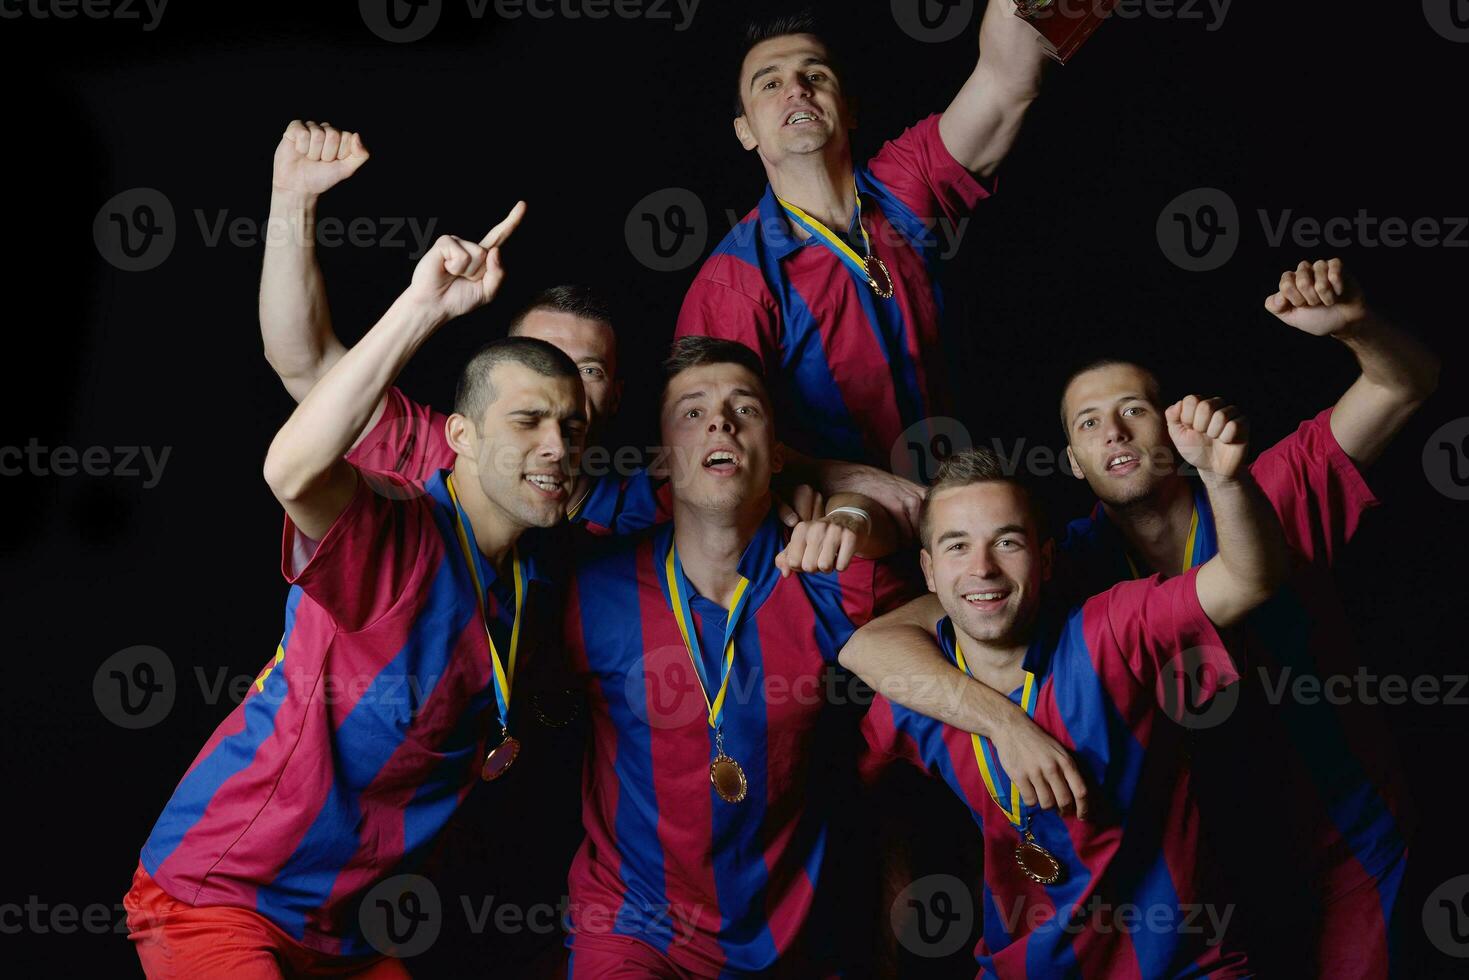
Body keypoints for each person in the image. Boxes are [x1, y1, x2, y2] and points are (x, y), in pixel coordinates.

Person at [123, 207, 589, 977]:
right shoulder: (397, 527)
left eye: (571, 429)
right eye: (528, 421)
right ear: (460, 436)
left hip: (346, 934)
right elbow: (291, 470)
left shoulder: (531, 577)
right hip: (225, 898)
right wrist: (423, 306)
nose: (555, 446)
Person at [1053, 259, 1438, 976]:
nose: (1114, 431)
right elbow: (939, 613)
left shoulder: (1265, 489)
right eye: (1088, 422)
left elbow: (1402, 382)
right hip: (1204, 872)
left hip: (1343, 835)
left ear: (1173, 424)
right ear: (1073, 462)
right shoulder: (1063, 571)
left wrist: (1356, 328)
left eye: (1133, 409)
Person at [853, 390, 1289, 975]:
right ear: (930, 571)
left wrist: (1225, 482)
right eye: (957, 546)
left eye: (1007, 542)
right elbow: (852, 810)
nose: (982, 569)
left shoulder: (1112, 630)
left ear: (1047, 558)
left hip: (1183, 964)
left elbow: (1247, 581)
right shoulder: (911, 691)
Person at [561, 336, 912, 977]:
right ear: (663, 459)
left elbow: (964, 584)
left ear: (778, 455)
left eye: (742, 408)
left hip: (788, 938)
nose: (720, 420)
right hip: (635, 928)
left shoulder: (829, 577)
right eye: (692, 412)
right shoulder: (590, 588)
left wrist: (854, 514)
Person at [676, 2, 1049, 507]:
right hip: (837, 543)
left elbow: (1007, 82)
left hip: (960, 510)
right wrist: (855, 481)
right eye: (769, 83)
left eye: (814, 74)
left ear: (848, 108)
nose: (797, 89)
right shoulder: (732, 284)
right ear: (745, 132)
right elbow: (710, 447)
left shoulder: (907, 184)